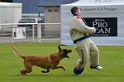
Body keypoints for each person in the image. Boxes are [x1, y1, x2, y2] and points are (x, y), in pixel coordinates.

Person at [69, 6, 103, 75]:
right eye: (79, 10)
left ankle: (94, 65)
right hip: (80, 41)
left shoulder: (77, 19)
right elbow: (83, 28)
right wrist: (94, 30)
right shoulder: (75, 19)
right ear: (77, 11)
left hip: (86, 38)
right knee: (84, 58)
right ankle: (77, 72)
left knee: (95, 51)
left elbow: (83, 28)